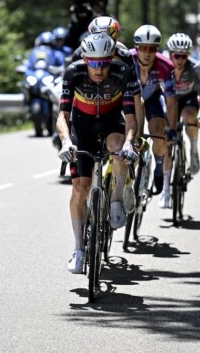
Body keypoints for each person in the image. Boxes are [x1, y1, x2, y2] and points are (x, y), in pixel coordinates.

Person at [57, 33, 141, 273]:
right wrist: (65, 142)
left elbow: (131, 119)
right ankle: (78, 249)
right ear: (85, 59)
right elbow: (63, 115)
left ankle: (116, 199)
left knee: (118, 148)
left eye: (104, 62)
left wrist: (130, 143)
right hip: (81, 128)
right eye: (94, 62)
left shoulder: (122, 72)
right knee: (80, 188)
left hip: (111, 123)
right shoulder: (73, 73)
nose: (99, 68)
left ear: (111, 59)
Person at [159, 33, 200, 208]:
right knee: (167, 141)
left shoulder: (195, 67)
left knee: (190, 118)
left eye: (184, 56)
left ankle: (193, 149)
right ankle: (166, 190)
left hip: (188, 98)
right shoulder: (163, 65)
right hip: (168, 99)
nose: (180, 60)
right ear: (170, 53)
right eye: (176, 55)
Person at [130, 24, 177, 197]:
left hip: (153, 98)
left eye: (152, 48)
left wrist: (171, 129)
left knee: (158, 132)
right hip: (130, 99)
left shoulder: (166, 66)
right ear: (136, 47)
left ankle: (158, 167)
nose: (147, 53)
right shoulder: (127, 59)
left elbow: (171, 101)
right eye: (143, 48)